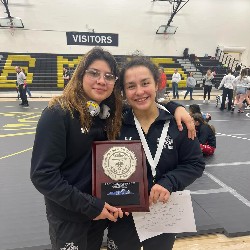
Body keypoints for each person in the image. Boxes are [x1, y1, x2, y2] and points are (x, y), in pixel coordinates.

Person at [30, 47, 196, 250]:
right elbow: (42, 175)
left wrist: (175, 107)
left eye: (108, 76)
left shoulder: (108, 114)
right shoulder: (58, 114)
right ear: (81, 74)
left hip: (104, 214)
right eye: (94, 73)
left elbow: (146, 101)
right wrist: (91, 206)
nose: (101, 80)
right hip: (73, 216)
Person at [107, 57, 205, 250]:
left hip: (163, 210)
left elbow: (195, 164)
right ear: (124, 91)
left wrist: (168, 182)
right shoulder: (114, 125)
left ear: (156, 84)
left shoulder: (178, 125)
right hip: (124, 214)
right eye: (131, 86)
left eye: (145, 83)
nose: (139, 92)